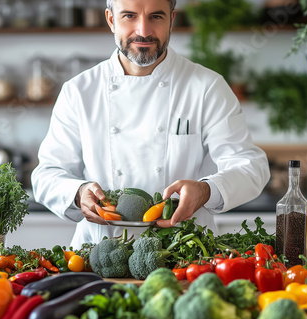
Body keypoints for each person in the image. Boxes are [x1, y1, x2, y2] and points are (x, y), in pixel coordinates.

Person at [31, 0, 270, 249]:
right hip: (97, 255)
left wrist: (206, 190)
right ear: (111, 20)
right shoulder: (79, 91)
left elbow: (252, 167)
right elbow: (46, 175)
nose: (143, 31)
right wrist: (79, 192)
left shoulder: (206, 87)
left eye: (156, 17)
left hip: (184, 254)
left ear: (172, 19)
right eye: (129, 16)